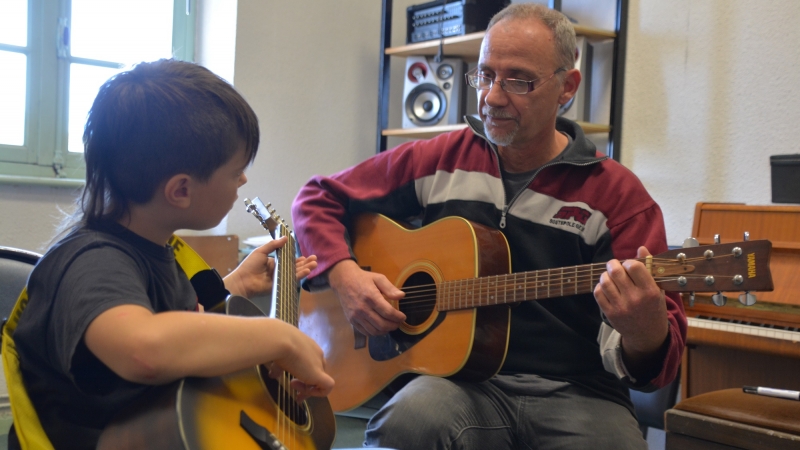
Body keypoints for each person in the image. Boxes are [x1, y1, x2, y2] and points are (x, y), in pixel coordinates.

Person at [291, 4, 686, 450]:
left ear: (567, 88)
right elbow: (316, 196)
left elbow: (658, 367)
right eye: (485, 75)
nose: (493, 97)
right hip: (456, 384)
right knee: (405, 424)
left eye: (518, 80)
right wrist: (346, 277)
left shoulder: (617, 196)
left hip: (580, 392)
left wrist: (645, 331)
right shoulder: (440, 159)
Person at [6, 59, 334, 449]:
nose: (243, 180)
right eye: (235, 171)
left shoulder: (154, 247)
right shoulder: (90, 260)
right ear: (180, 191)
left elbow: (168, 321)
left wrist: (236, 285)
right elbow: (142, 348)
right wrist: (280, 337)